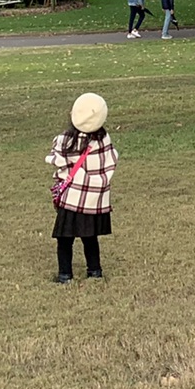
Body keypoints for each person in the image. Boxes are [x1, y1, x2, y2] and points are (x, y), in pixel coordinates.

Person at [47, 92, 117, 283]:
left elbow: (56, 162)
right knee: (90, 237)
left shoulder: (65, 139)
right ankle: (94, 271)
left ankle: (64, 274)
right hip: (93, 200)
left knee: (64, 239)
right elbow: (109, 164)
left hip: (71, 198)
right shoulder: (104, 140)